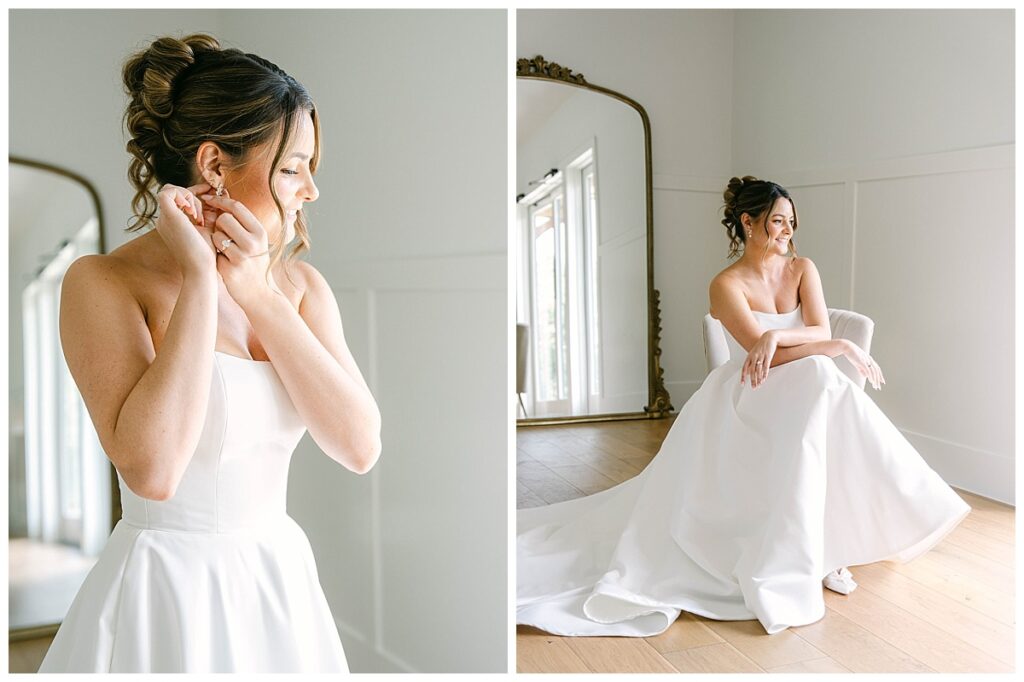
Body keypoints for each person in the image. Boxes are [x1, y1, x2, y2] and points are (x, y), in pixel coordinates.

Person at [37, 33, 381, 673]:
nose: (310, 190)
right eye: (290, 167)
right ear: (215, 165)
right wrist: (201, 278)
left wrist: (254, 291)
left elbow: (360, 447)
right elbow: (155, 472)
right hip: (167, 592)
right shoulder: (103, 283)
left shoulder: (301, 288)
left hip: (277, 581)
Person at [516, 176, 970, 638]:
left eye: (791, 222)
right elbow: (765, 356)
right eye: (777, 221)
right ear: (748, 222)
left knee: (819, 381)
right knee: (821, 376)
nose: (787, 232)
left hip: (802, 387)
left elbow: (814, 329)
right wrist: (808, 343)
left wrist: (787, 334)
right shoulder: (725, 284)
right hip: (748, 394)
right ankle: (836, 541)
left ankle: (825, 547)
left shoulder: (802, 269)